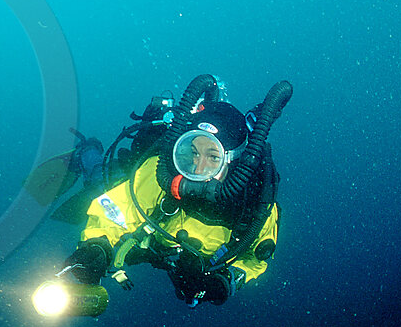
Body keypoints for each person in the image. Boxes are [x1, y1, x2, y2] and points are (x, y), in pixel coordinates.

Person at [62, 75, 292, 307]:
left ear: (232, 160)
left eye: (213, 157)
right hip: (150, 240)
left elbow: (255, 260)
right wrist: (97, 246)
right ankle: (87, 152)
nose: (197, 168)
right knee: (100, 182)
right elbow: (113, 210)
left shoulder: (254, 204)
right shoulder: (161, 173)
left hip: (176, 254)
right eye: (191, 152)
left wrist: (223, 282)